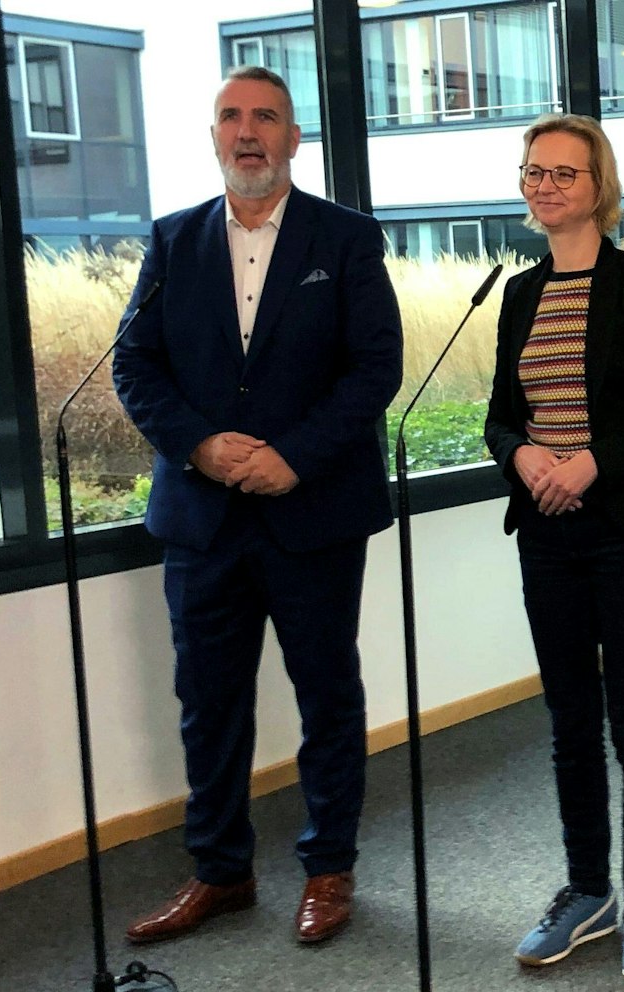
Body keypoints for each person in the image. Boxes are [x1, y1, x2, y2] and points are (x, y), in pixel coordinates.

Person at [112, 66, 402, 946]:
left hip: (309, 512)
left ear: (292, 138)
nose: (247, 132)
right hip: (201, 519)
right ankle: (220, 871)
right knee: (208, 700)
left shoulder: (344, 239)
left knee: (325, 695)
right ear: (212, 138)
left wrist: (293, 459)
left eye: (265, 117)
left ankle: (328, 870)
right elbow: (133, 366)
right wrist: (199, 445)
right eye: (231, 117)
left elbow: (373, 369)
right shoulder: (171, 242)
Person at [483, 114, 624, 983]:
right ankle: (587, 891)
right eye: (533, 172)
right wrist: (524, 454)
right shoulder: (518, 293)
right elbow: (502, 415)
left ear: (598, 188)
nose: (544, 187)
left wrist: (589, 465)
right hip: (546, 537)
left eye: (563, 174)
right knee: (569, 723)